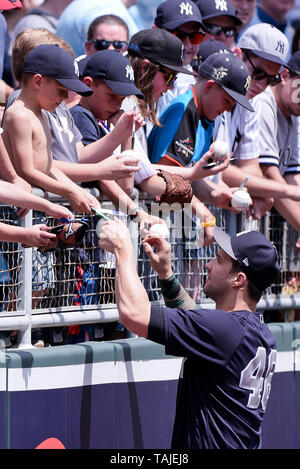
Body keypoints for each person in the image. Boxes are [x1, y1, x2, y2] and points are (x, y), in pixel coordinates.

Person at [98, 218, 280, 449]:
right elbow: (198, 323)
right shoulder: (259, 331)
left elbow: (133, 314)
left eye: (219, 260)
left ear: (238, 279)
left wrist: (123, 248)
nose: (208, 265)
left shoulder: (226, 330)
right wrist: (166, 276)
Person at [257, 50, 300, 246]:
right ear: (284, 76)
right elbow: (269, 174)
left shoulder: (294, 113)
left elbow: (292, 176)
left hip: (257, 211)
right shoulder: (264, 102)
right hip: (238, 207)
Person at [153, 0, 207, 119]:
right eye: (179, 36)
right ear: (155, 31)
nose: (187, 45)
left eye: (194, 37)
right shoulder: (142, 72)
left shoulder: (194, 83)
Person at [56, 0, 140, 58]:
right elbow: (138, 51)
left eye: (119, 45)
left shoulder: (77, 5)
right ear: (87, 47)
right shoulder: (110, 9)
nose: (111, 50)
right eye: (102, 44)